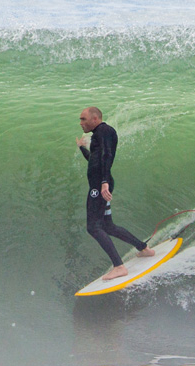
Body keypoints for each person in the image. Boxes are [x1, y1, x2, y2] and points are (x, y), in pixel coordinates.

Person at [76, 107, 153, 281]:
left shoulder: (104, 131)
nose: (81, 123)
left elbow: (106, 156)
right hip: (102, 184)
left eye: (83, 119)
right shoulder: (98, 134)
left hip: (99, 187)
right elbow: (95, 161)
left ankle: (119, 266)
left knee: (93, 227)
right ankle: (144, 249)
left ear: (95, 119)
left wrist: (103, 183)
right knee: (108, 226)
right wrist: (82, 148)